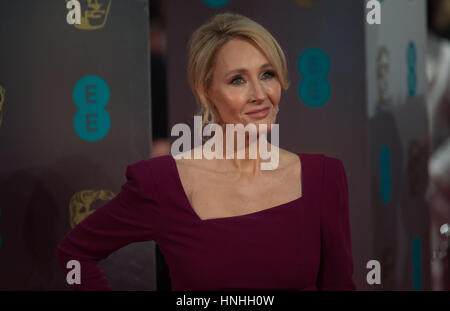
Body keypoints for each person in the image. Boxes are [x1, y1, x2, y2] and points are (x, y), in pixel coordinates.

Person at [55, 12, 356, 291]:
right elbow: (75, 254)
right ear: (206, 92)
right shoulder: (162, 183)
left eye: (267, 74)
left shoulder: (323, 178)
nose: (259, 95)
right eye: (237, 80)